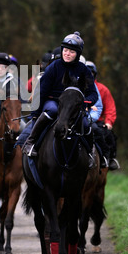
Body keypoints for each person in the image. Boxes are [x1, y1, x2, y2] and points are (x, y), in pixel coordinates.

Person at [21, 31, 98, 167]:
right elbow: (41, 92)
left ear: (78, 54)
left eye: (72, 52)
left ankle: (90, 153)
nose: (67, 54)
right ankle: (30, 142)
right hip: (54, 101)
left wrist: (84, 103)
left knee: (86, 124)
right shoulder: (53, 67)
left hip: (74, 105)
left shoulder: (83, 70)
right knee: (51, 110)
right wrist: (35, 114)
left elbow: (93, 94)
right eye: (66, 50)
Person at [86, 61, 120, 170]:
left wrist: (109, 122)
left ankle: (110, 159)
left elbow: (110, 108)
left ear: (94, 74)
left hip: (98, 121)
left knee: (109, 135)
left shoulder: (102, 89)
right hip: (81, 119)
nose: (89, 75)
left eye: (91, 73)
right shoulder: (78, 86)